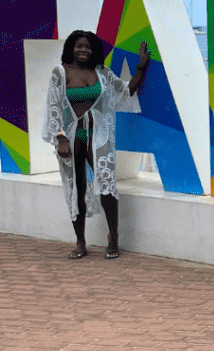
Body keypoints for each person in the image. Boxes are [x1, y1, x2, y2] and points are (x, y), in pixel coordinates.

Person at [42, 31, 151, 260]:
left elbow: (126, 91)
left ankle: (113, 236)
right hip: (70, 140)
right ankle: (80, 241)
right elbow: (52, 106)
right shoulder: (60, 73)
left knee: (107, 184)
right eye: (80, 46)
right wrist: (60, 138)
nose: (84, 50)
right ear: (72, 47)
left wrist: (141, 68)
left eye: (88, 47)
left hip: (99, 137)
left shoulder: (102, 73)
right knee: (76, 188)